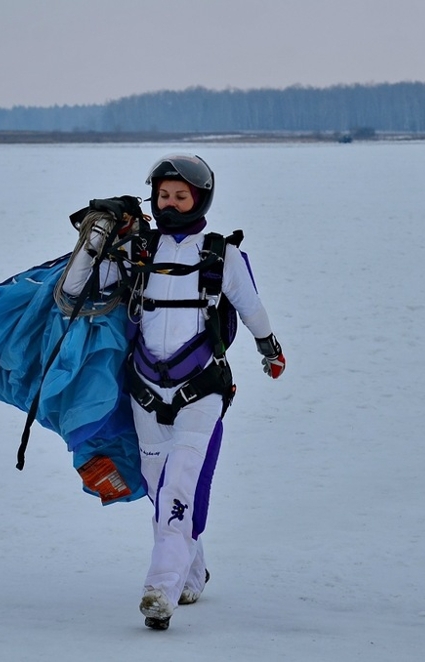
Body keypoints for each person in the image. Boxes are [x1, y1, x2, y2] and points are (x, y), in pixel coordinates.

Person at [61, 154, 286, 631]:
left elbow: (251, 306)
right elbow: (77, 288)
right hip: (144, 390)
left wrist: (270, 348)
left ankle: (159, 588)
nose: (171, 204)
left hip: (201, 389)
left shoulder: (220, 253)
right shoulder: (136, 250)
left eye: (180, 196)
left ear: (200, 198)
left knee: (181, 480)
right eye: (164, 195)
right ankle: (193, 568)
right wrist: (99, 231)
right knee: (161, 488)